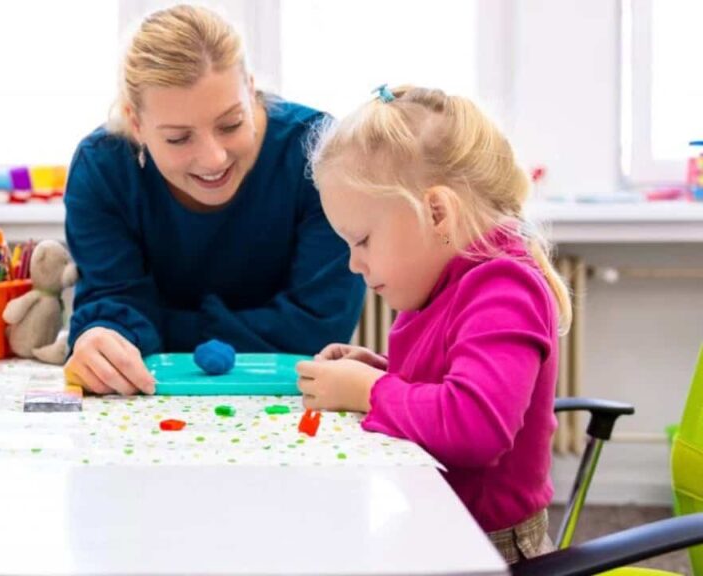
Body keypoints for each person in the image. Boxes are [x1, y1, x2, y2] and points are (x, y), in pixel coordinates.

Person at [298, 84, 571, 564]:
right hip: (436, 526)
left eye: (361, 240)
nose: (352, 265)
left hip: (490, 550)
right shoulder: (446, 281)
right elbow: (450, 377)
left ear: (437, 213)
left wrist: (370, 391)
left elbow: (474, 424)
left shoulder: (504, 289)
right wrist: (382, 370)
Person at [63, 5, 364, 396]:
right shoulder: (102, 169)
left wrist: (158, 327)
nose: (214, 158)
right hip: (152, 403)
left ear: (251, 89)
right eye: (178, 138)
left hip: (295, 399)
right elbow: (113, 306)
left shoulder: (320, 154)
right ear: (135, 124)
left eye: (231, 123)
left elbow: (319, 327)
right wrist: (102, 340)